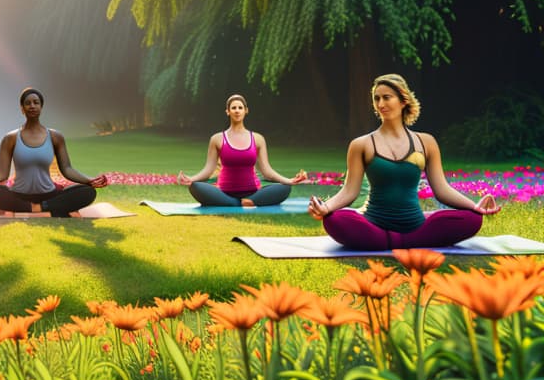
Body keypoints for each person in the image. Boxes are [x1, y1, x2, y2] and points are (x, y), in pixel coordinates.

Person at [308, 73, 500, 249]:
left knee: (473, 219)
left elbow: (442, 190)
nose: (381, 103)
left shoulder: (426, 142)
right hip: (374, 224)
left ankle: (392, 241)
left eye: (387, 97)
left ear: (403, 101)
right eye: (377, 98)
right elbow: (349, 191)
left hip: (414, 225)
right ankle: (403, 242)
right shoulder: (361, 144)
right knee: (334, 219)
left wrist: (474, 206)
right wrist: (326, 208)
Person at [0, 87, 109, 217]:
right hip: (19, 194)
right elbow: (2, 173)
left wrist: (89, 180)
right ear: (22, 108)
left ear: (41, 107)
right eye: (27, 103)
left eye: (36, 102)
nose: (32, 106)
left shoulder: (55, 137)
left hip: (48, 194)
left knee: (87, 192)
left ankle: (36, 207)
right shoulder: (10, 138)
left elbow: (67, 169)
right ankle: (46, 207)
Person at [176, 94, 308, 207]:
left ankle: (246, 201)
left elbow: (267, 171)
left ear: (246, 111)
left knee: (284, 188)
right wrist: (191, 179)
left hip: (253, 192)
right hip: (224, 192)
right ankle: (240, 203)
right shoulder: (217, 139)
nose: (237, 111)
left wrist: (288, 180)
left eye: (240, 108)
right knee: (195, 187)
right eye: (233, 108)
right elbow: (208, 170)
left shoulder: (257, 139)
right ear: (228, 111)